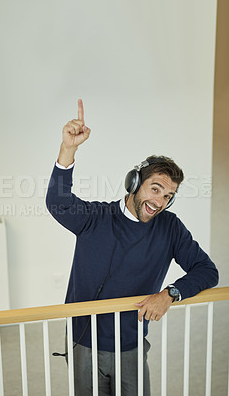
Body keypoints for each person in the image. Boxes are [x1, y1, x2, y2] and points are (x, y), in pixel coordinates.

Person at [46, 99, 219, 396]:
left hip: (130, 343)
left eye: (168, 196)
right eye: (155, 189)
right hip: (83, 341)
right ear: (134, 183)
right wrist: (68, 150)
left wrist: (170, 294)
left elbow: (207, 270)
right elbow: (57, 202)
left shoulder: (170, 227)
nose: (159, 202)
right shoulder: (95, 218)